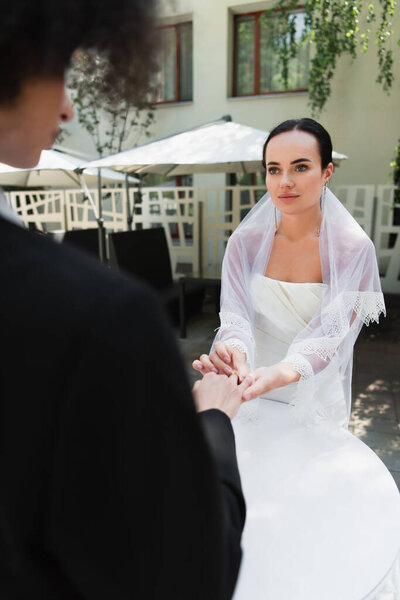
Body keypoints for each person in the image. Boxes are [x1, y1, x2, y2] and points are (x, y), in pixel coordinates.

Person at [0, 2, 252, 598]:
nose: (66, 105)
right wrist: (213, 420)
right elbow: (193, 573)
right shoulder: (97, 319)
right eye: (58, 67)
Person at [193, 119, 400, 599]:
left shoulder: (354, 249)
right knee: (253, 507)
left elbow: (329, 339)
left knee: (308, 515)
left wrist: (277, 375)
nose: (284, 182)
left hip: (310, 395)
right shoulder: (244, 242)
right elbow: (237, 318)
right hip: (249, 394)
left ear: (326, 173)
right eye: (273, 169)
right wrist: (233, 355)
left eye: (300, 167)